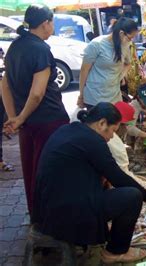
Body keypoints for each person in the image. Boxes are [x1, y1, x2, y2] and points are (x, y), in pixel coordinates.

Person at [33, 103, 146, 264]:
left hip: (46, 210)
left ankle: (106, 234)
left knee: (110, 187)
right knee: (132, 196)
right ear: (102, 123)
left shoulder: (70, 129)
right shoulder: (93, 141)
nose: (112, 137)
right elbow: (118, 177)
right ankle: (115, 251)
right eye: (112, 131)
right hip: (65, 215)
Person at [2, 4, 70, 213]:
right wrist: (20, 117)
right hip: (48, 120)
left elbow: (4, 84)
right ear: (45, 23)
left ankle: (37, 214)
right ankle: (51, 219)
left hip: (28, 122)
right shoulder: (40, 48)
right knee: (50, 169)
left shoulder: (16, 46)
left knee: (32, 169)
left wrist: (15, 117)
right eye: (52, 23)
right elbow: (38, 92)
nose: (53, 28)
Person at [78, 17, 139, 109]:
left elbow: (128, 63)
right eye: (130, 38)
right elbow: (84, 70)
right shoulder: (96, 45)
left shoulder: (125, 46)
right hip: (95, 97)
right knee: (98, 122)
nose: (131, 41)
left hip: (114, 95)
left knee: (114, 122)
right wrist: (81, 95)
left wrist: (120, 76)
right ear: (121, 34)